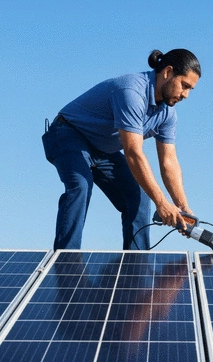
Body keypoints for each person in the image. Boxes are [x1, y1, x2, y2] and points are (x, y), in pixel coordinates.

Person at [42, 48, 201, 250]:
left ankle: (136, 269)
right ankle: (65, 260)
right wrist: (162, 203)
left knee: (140, 198)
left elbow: (168, 161)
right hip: (68, 134)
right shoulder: (132, 91)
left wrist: (182, 207)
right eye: (184, 86)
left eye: (190, 90)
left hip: (103, 150)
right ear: (167, 72)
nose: (186, 95)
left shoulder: (168, 114)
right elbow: (133, 153)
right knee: (80, 185)